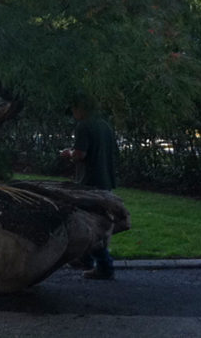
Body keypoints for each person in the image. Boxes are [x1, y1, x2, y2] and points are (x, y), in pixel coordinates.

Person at [60, 93, 118, 280]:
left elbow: (80, 154)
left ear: (81, 108)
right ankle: (85, 259)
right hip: (105, 181)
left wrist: (68, 153)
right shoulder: (105, 126)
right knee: (97, 222)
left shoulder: (84, 126)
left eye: (74, 108)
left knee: (90, 225)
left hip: (90, 182)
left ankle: (104, 265)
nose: (73, 112)